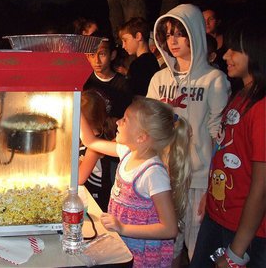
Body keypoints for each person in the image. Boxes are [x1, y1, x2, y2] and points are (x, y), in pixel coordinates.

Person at [147, 3, 231, 265]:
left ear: (193, 33)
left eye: (179, 33)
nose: (172, 41)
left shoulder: (214, 80)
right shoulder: (159, 79)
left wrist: (211, 187)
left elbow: (220, 136)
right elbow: (149, 127)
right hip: (163, 178)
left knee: (198, 251)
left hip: (198, 179)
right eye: (168, 34)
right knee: (164, 250)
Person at [80, 96, 192, 267]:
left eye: (125, 120)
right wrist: (74, 103)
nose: (117, 122)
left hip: (143, 255)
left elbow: (169, 228)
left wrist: (123, 228)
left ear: (141, 137)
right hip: (124, 244)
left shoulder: (153, 173)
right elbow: (90, 141)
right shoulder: (126, 152)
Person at [191, 17, 266, 268]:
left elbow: (262, 184)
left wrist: (235, 253)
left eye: (235, 49)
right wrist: (211, 195)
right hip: (218, 216)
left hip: (247, 232)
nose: (226, 55)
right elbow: (226, 147)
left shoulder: (262, 106)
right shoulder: (242, 94)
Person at [78, 89, 117, 211]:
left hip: (96, 201)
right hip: (84, 196)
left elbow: (79, 178)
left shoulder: (95, 146)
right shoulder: (81, 140)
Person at [83, 36, 132, 120]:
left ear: (112, 55)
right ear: (87, 57)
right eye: (92, 55)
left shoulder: (123, 84)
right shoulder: (85, 82)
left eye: (102, 54)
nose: (97, 60)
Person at [119, 17, 160, 97]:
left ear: (138, 36)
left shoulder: (137, 65)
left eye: (125, 40)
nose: (123, 46)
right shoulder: (152, 59)